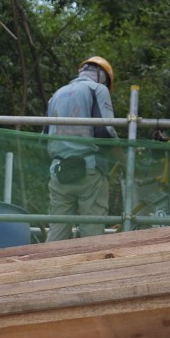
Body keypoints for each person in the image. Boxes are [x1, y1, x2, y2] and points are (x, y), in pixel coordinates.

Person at [45, 56, 120, 241]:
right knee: (92, 233)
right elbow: (105, 132)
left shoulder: (55, 95)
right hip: (89, 171)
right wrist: (125, 160)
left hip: (59, 172)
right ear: (103, 76)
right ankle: (92, 269)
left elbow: (45, 136)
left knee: (57, 231)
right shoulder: (97, 89)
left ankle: (51, 268)